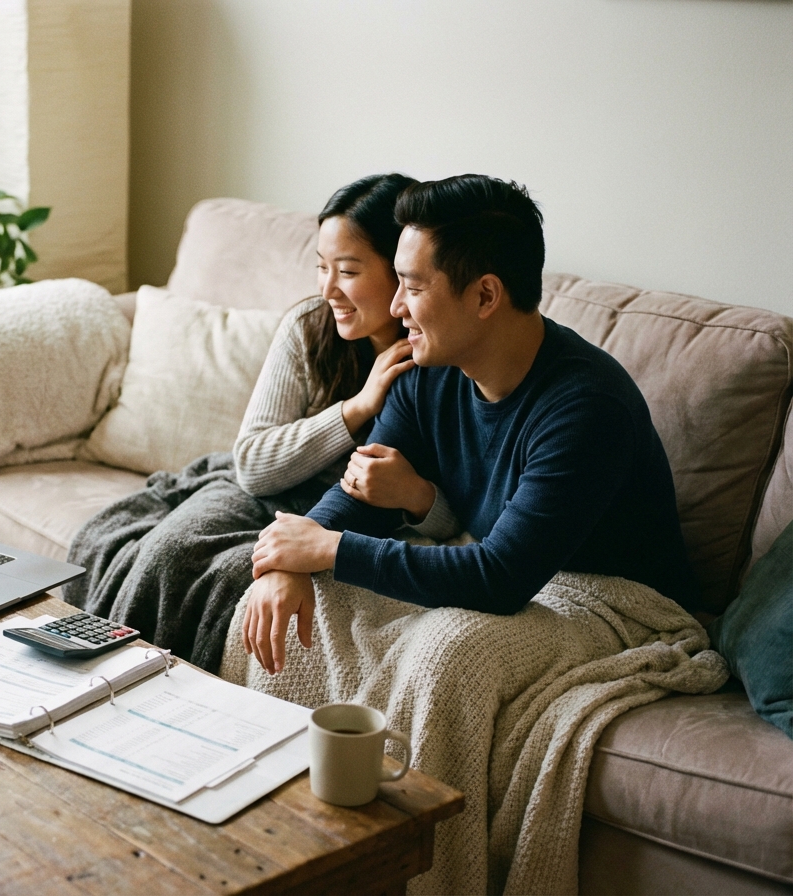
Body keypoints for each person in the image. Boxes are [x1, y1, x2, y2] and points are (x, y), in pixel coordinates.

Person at [244, 173, 699, 675]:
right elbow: (361, 490)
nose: (397, 307)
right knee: (323, 604)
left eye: (413, 287)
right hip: (517, 573)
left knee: (450, 652)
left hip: (614, 600)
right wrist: (291, 555)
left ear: (485, 297)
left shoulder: (587, 408)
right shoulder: (427, 371)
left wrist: (327, 547)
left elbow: (498, 579)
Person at [64, 173, 457, 671]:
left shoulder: (440, 365)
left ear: (400, 272)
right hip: (261, 491)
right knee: (168, 552)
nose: (329, 289)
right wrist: (356, 408)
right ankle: (97, 678)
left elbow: (455, 516)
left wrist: (413, 496)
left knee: (232, 579)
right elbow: (251, 464)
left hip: (346, 526)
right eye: (321, 268)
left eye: (350, 271)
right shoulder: (308, 329)